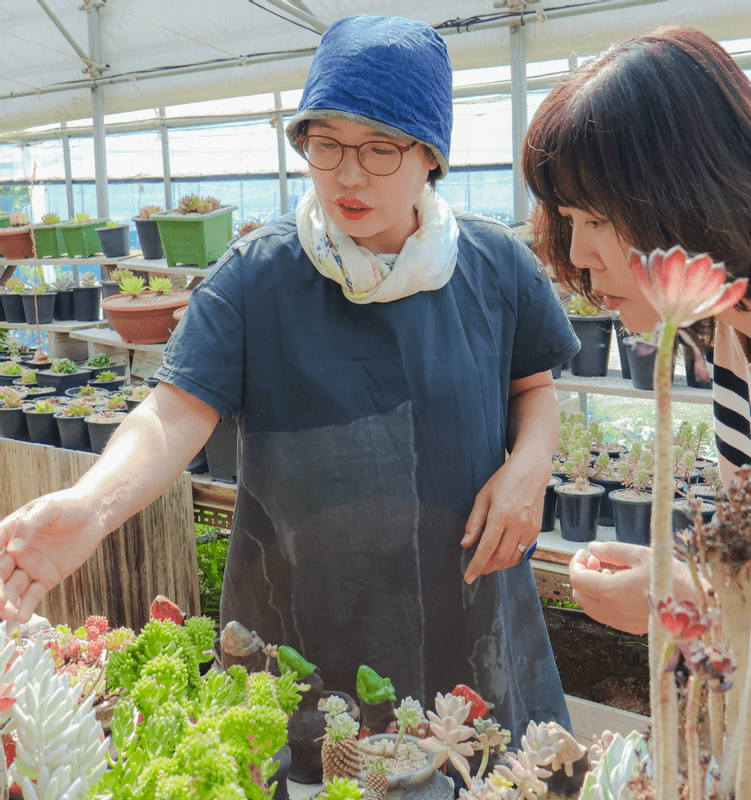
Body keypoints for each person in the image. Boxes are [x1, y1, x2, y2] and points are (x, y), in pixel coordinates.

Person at [0, 15, 579, 739]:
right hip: (302, 627)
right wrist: (93, 505)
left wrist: (530, 464)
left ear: (432, 154)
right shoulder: (258, 277)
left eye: (379, 146)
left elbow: (534, 388)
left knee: (479, 764)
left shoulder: (496, 267)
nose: (347, 172)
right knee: (311, 764)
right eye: (325, 142)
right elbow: (173, 412)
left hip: (471, 614)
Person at [522, 24, 751, 669]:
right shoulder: (733, 329)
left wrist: (697, 606)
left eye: (596, 217)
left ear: (692, 190)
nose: (581, 258)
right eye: (568, 221)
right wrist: (672, 581)